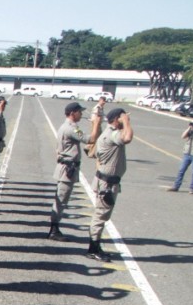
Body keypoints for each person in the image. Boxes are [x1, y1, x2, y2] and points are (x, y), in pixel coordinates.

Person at [88, 108, 133, 262]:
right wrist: (125, 121)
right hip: (106, 183)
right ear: (116, 119)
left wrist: (124, 120)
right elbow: (127, 138)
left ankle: (96, 245)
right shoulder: (112, 134)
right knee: (100, 216)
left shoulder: (111, 132)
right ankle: (92, 248)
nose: (127, 120)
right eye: (122, 118)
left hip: (109, 181)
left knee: (103, 215)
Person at [51, 102, 86, 240]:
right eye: (79, 112)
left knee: (61, 199)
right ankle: (54, 230)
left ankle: (55, 228)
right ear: (72, 113)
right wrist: (96, 123)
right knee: (61, 199)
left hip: (67, 168)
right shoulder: (71, 128)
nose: (81, 114)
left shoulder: (68, 127)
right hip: (67, 169)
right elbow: (88, 139)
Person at [167, 121, 193, 194]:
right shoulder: (190, 132)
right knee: (181, 170)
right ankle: (176, 186)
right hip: (187, 154)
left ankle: (191, 188)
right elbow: (183, 136)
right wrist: (189, 128)